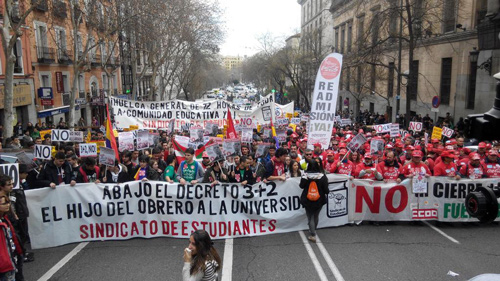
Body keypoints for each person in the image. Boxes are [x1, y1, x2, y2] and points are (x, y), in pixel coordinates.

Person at [299, 160, 329, 243]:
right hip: (319, 200)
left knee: (310, 216)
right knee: (316, 216)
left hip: (307, 199)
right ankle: (313, 230)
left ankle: (312, 234)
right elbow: (326, 190)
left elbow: (301, 186)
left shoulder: (305, 176)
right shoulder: (322, 176)